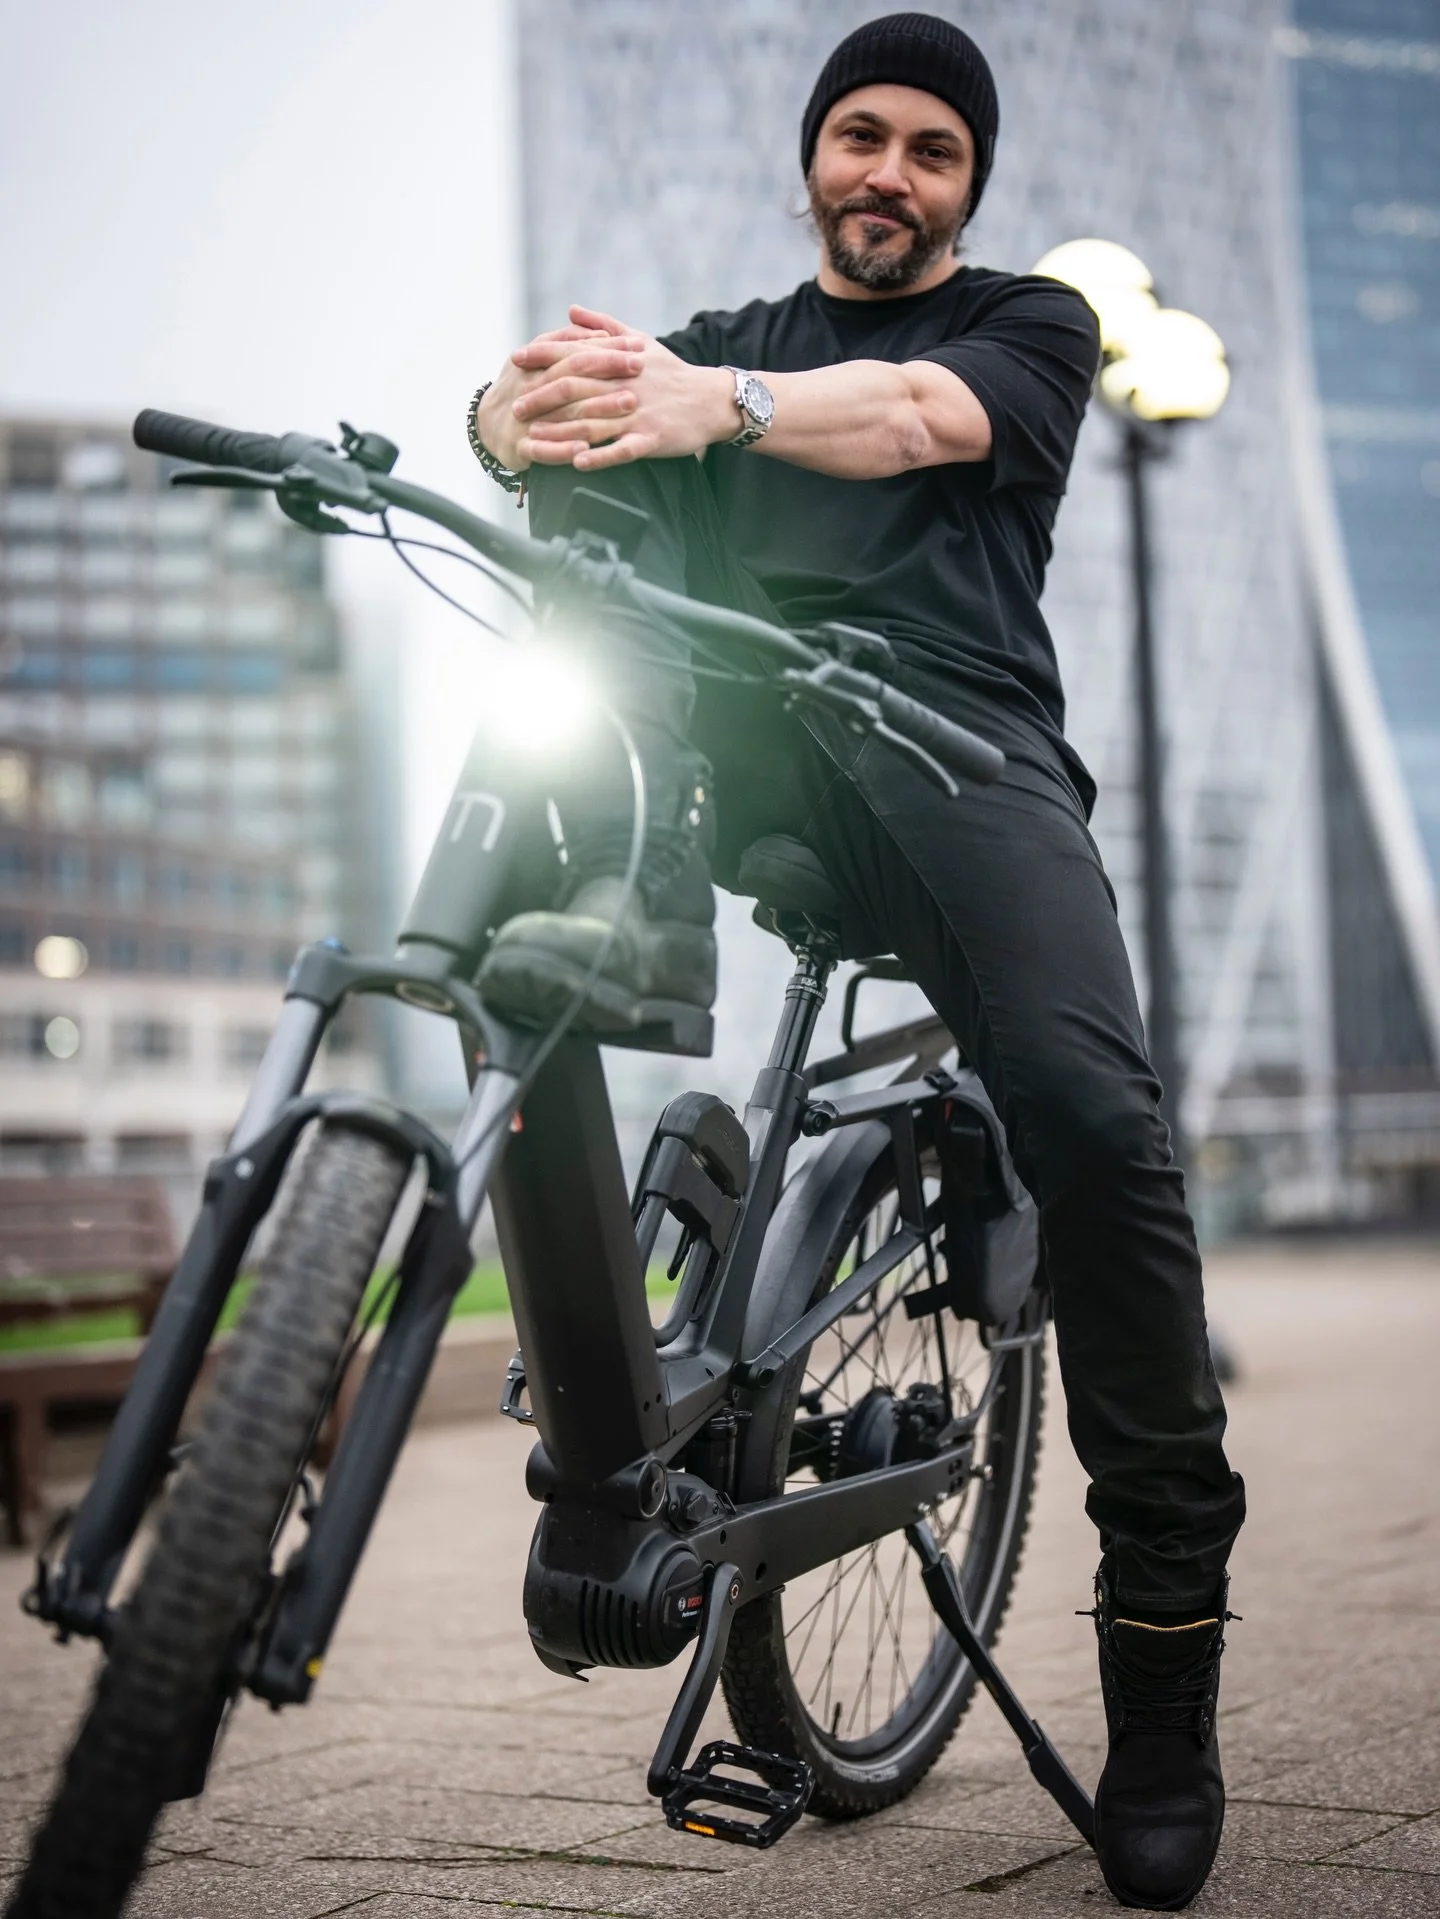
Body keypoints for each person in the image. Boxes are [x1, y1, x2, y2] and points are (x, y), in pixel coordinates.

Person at [470, 13, 1244, 1909]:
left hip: (952, 746)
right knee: (565, 706)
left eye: (932, 152)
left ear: (970, 186)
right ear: (814, 155)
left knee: (1092, 1117)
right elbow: (557, 428)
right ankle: (525, 1264)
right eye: (861, 138)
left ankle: (1164, 1660)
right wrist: (512, 421)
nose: (890, 174)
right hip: (740, 759)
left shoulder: (1029, 330)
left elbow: (912, 418)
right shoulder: (711, 334)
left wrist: (704, 407)